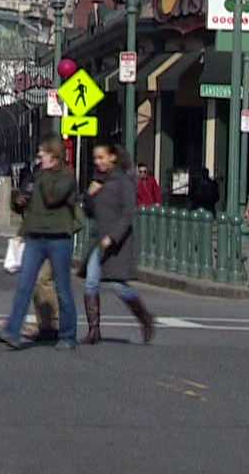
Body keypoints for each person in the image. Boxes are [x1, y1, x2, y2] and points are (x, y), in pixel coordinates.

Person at [0, 137, 80, 350]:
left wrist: (44, 176)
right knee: (25, 284)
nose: (39, 158)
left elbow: (53, 198)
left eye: (43, 154)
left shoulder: (67, 177)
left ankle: (68, 335)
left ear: (55, 156)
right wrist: (21, 233)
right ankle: (12, 331)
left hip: (59, 237)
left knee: (62, 289)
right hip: (36, 236)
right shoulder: (40, 175)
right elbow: (34, 209)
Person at [83, 141, 155, 344]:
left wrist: (113, 236)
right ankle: (94, 330)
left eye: (102, 157)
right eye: (96, 158)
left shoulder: (123, 181)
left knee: (117, 284)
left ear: (112, 157)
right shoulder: (99, 181)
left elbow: (128, 213)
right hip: (99, 240)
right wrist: (90, 195)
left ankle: (145, 317)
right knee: (91, 282)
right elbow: (89, 211)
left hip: (117, 242)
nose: (98, 162)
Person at [10, 165, 60, 344]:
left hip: (54, 237)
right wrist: (19, 201)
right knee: (35, 282)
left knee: (43, 280)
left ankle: (53, 325)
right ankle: (45, 325)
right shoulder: (33, 176)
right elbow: (23, 206)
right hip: (36, 236)